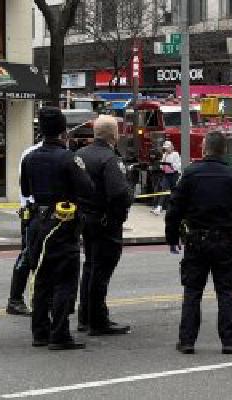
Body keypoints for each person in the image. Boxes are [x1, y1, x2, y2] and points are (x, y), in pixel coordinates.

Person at [165, 131, 232, 355]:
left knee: (193, 291)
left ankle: (187, 341)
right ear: (224, 150)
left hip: (197, 240)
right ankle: (229, 341)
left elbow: (174, 209)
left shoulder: (190, 174)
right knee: (225, 291)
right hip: (225, 240)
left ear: (205, 148)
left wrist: (172, 238)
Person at [22, 107, 94, 350]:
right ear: (64, 130)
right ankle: (60, 333)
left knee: (41, 278)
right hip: (63, 223)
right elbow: (87, 188)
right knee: (65, 280)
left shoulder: (30, 158)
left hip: (37, 222)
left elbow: (24, 191)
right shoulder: (69, 158)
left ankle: (39, 332)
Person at [76, 116, 134, 335]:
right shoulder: (110, 159)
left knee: (90, 267)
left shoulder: (80, 155)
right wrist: (127, 201)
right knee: (101, 271)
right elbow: (119, 192)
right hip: (105, 222)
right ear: (115, 135)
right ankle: (98, 321)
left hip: (84, 219)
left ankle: (85, 317)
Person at [5, 137, 43, 316]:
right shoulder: (32, 153)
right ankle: (15, 299)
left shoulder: (30, 153)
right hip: (34, 212)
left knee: (36, 255)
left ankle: (38, 299)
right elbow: (25, 188)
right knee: (29, 255)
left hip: (36, 212)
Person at [152, 141, 181, 216]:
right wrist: (164, 160)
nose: (166, 150)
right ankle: (159, 207)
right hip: (166, 175)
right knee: (163, 190)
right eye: (165, 148)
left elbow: (177, 166)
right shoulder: (164, 155)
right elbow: (162, 166)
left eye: (167, 148)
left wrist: (170, 165)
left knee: (173, 191)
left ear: (171, 147)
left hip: (174, 175)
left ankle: (174, 208)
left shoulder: (175, 154)